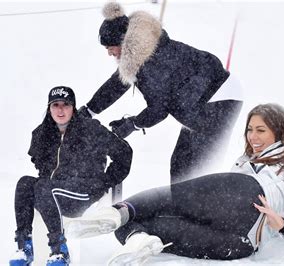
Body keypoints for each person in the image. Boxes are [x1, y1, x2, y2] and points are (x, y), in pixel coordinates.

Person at [67, 103, 284, 265]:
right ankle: (137, 238)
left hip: (251, 201)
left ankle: (117, 211)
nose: (252, 136)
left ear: (281, 130)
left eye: (261, 129)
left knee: (169, 197)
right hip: (240, 243)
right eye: (249, 129)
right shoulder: (244, 163)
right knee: (149, 224)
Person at [77, 2, 243, 183]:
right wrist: (89, 110)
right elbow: (117, 84)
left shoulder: (152, 62)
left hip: (219, 97)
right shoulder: (142, 51)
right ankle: (182, 207)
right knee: (181, 164)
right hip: (200, 100)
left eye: (110, 47)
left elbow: (159, 109)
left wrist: (132, 124)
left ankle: (201, 207)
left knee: (199, 167)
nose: (109, 53)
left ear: (123, 42)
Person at [9, 86, 133, 266]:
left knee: (44, 187)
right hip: (52, 196)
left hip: (82, 194)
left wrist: (105, 182)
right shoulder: (41, 134)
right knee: (25, 183)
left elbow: (124, 153)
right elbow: (42, 169)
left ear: (73, 107)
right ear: (49, 108)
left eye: (65, 105)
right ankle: (24, 247)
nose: (60, 110)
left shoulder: (90, 129)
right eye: (55, 105)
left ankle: (59, 251)